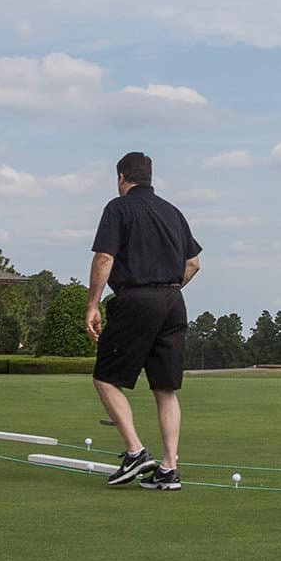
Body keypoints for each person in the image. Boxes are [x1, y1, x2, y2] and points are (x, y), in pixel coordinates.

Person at [86, 151, 202, 490]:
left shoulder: (118, 208)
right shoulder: (172, 212)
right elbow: (193, 263)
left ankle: (135, 452)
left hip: (136, 299)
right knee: (165, 388)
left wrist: (92, 304)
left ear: (122, 178)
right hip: (174, 301)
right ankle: (169, 468)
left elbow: (104, 257)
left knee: (106, 378)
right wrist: (167, 290)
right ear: (149, 177)